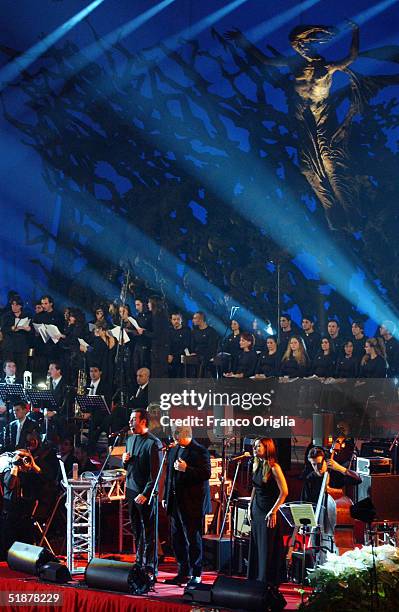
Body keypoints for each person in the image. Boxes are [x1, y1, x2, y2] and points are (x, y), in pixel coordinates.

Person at [163, 425, 211, 587]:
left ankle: (196, 573)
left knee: (193, 539)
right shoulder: (175, 450)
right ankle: (182, 571)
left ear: (186, 434)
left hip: (193, 503)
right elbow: (169, 476)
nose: (174, 438)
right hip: (176, 502)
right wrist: (166, 496)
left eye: (176, 434)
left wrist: (187, 469)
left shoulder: (200, 451)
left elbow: (205, 474)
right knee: (177, 538)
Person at [301, 446, 361, 561]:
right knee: (315, 556)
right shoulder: (310, 479)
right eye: (313, 464)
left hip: (333, 530)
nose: (317, 468)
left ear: (326, 461)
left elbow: (358, 480)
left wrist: (340, 468)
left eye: (319, 464)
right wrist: (304, 523)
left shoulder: (335, 475)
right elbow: (305, 503)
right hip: (318, 526)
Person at [122, 409, 162, 580]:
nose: (130, 422)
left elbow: (156, 473)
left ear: (143, 421)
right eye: (130, 419)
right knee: (137, 529)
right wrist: (125, 462)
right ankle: (139, 562)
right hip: (131, 490)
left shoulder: (154, 443)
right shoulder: (130, 439)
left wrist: (146, 493)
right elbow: (129, 468)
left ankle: (151, 567)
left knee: (149, 530)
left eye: (133, 419)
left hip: (145, 493)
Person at [247, 438, 288, 584]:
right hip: (257, 508)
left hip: (269, 510)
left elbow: (284, 492)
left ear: (267, 448)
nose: (255, 449)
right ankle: (256, 579)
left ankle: (266, 580)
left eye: (259, 446)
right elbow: (255, 488)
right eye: (255, 446)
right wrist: (249, 506)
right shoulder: (256, 464)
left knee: (266, 546)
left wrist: (274, 511)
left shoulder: (274, 467)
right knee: (257, 544)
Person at [137, 297, 170, 378]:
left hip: (159, 351)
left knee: (157, 373)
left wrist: (143, 332)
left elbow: (156, 335)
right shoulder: (162, 315)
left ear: (154, 304)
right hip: (161, 349)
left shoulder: (157, 317)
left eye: (149, 302)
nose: (147, 305)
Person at [168, 312, 191, 378]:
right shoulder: (169, 331)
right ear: (171, 320)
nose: (176, 321)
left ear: (181, 320)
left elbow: (186, 345)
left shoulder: (187, 330)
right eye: (174, 319)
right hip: (170, 358)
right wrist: (169, 354)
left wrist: (174, 356)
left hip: (181, 358)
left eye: (178, 319)